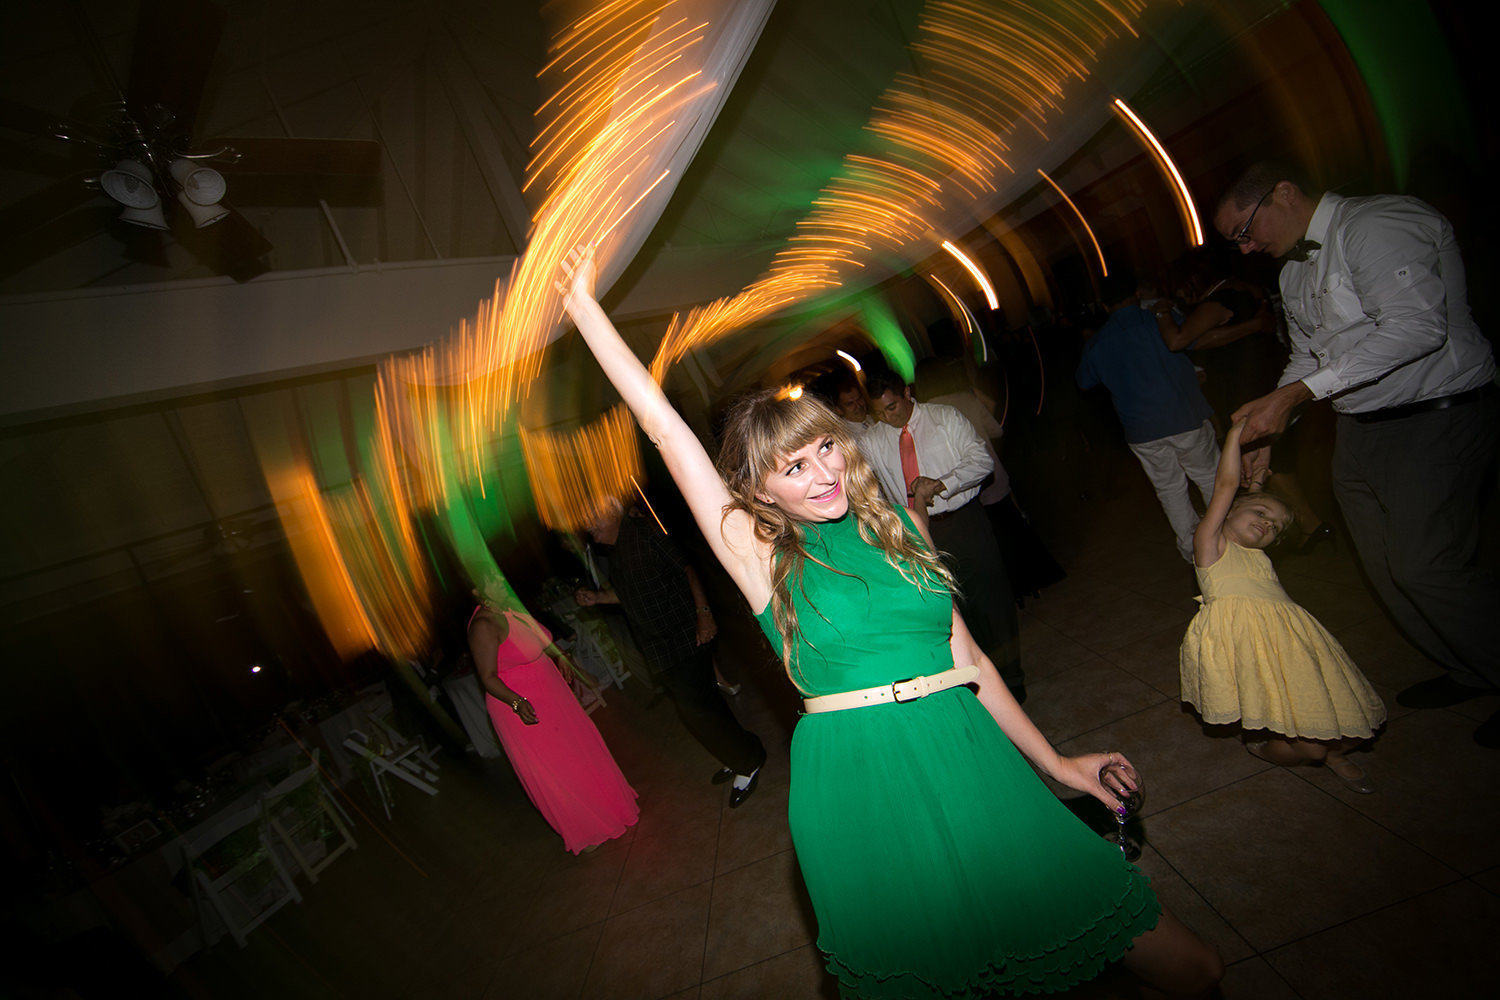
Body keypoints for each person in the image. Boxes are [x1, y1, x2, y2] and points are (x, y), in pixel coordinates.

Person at [559, 245, 1222, 999]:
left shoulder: (903, 523)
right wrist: (584, 308)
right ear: (759, 491)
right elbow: (664, 429)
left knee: (1182, 960)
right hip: (857, 775)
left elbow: (968, 663)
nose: (824, 474)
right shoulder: (759, 555)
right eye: (794, 468)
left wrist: (1056, 764)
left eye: (824, 450)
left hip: (963, 748)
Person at [1214, 161, 1500, 746]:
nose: (1245, 249)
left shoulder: (1380, 222)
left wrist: (1296, 395)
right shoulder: (1292, 273)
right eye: (1235, 241)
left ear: (1284, 193)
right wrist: (1274, 429)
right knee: (1385, 570)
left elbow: (1417, 327)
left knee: (1426, 565)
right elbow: (1307, 359)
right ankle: (1472, 667)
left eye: (1245, 230)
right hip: (1360, 430)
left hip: (1437, 414)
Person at [1180, 420, 1386, 792]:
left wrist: (1258, 477)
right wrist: (1235, 439)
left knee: (1355, 717)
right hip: (1254, 648)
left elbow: (1248, 498)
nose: (1266, 524)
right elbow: (1228, 488)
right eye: (1260, 513)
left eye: (1275, 526)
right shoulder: (1211, 545)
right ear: (1229, 511)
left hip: (1294, 644)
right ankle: (1271, 751)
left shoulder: (1253, 552)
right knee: (1309, 745)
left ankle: (1334, 752)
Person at [574, 498, 767, 806]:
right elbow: (628, 594)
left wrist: (704, 612)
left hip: (684, 636)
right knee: (704, 705)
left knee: (697, 711)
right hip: (661, 648)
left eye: (592, 518)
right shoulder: (618, 549)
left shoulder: (642, 532)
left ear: (610, 512)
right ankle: (739, 750)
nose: (589, 527)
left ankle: (749, 760)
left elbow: (687, 569)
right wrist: (597, 598)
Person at [861, 367, 1024, 700]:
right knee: (949, 610)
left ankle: (1012, 678)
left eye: (892, 407)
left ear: (907, 393)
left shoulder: (944, 418)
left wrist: (944, 483)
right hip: (918, 534)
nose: (888, 418)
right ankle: (976, 683)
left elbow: (981, 460)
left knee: (991, 602)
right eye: (879, 412)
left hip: (964, 522)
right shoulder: (874, 439)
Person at [467, 590, 639, 853]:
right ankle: (585, 827)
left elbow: (540, 638)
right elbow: (488, 678)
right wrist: (516, 702)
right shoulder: (483, 625)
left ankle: (612, 808)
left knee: (581, 752)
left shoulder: (511, 607)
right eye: (491, 579)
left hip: (553, 693)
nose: (500, 582)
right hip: (520, 706)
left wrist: (559, 655)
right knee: (557, 769)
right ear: (477, 591)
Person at [1076, 269, 1220, 562]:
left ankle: (1195, 554)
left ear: (1104, 305)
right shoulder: (1159, 320)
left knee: (1170, 491)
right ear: (1137, 293)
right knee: (1211, 479)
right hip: (1183, 417)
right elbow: (1193, 340)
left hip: (1141, 430)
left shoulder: (1099, 342)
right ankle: (1229, 540)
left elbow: (1083, 381)